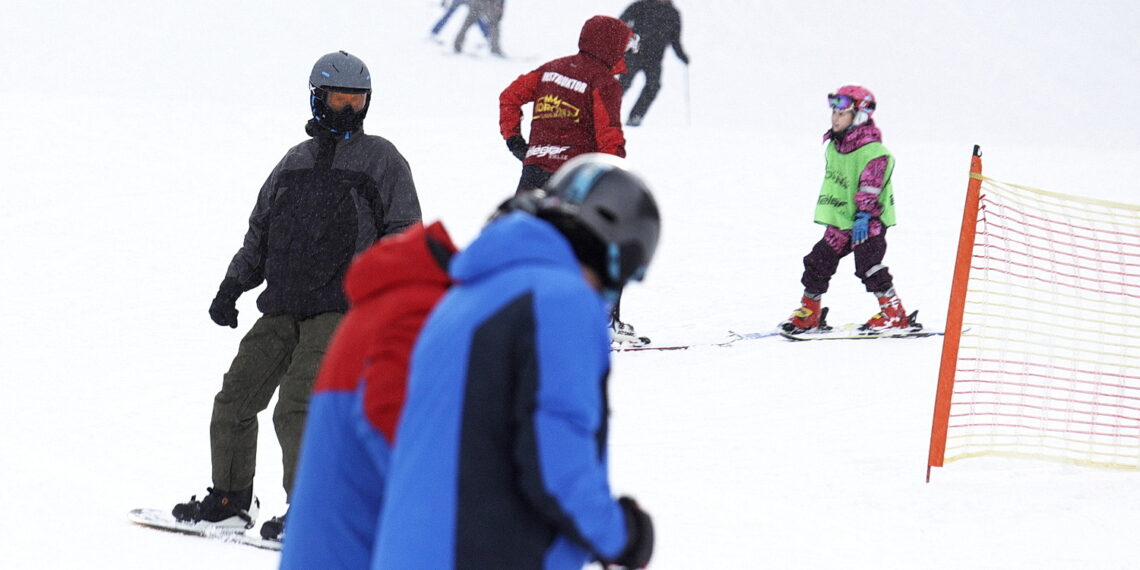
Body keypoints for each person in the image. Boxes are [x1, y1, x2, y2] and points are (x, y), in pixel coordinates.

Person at [170, 50, 422, 540]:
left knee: (299, 406)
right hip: (283, 304)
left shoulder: (382, 159)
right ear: (316, 98)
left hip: (342, 308)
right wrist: (233, 284)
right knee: (235, 399)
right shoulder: (294, 162)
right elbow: (260, 231)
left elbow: (404, 233)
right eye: (338, 98)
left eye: (357, 100)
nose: (348, 109)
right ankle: (229, 499)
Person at [373, 154, 659, 569]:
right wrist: (622, 535)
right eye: (627, 272)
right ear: (612, 248)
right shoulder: (560, 300)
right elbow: (557, 467)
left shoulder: (466, 295)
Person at [279, 221, 456, 568]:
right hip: (356, 549)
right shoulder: (416, 307)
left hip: (327, 546)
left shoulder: (379, 304)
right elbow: (388, 426)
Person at [780, 85, 911, 333]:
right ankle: (810, 312)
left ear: (859, 116)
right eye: (834, 113)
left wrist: (864, 214)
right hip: (841, 221)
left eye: (842, 114)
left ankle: (894, 312)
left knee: (868, 264)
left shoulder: (874, 152)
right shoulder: (835, 145)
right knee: (818, 261)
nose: (835, 118)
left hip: (867, 222)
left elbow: (870, 186)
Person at [499, 15, 634, 193]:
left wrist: (514, 140)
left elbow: (509, 97)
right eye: (625, 45)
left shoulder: (551, 68)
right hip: (575, 175)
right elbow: (609, 134)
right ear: (612, 46)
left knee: (525, 219)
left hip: (534, 169)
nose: (627, 51)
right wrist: (613, 174)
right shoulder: (604, 82)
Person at [617, 0, 689, 127]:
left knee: (653, 86)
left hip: (654, 59)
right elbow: (620, 22)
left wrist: (682, 56)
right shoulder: (641, 5)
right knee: (623, 84)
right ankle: (600, 112)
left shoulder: (673, 14)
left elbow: (675, 40)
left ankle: (635, 117)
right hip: (634, 53)